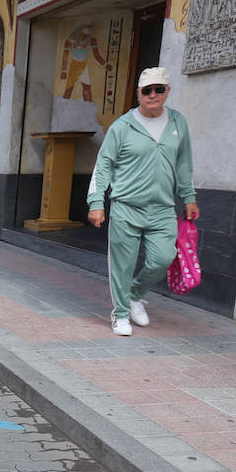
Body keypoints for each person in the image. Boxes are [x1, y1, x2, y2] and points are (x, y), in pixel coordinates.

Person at [86, 67, 200, 337]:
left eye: (159, 89)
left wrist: (189, 197)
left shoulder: (177, 123)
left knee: (164, 257)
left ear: (167, 92)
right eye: (147, 90)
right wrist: (96, 202)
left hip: (162, 209)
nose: (153, 95)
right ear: (138, 93)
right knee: (122, 265)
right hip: (126, 206)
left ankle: (135, 295)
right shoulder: (122, 127)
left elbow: (184, 162)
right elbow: (104, 166)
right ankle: (120, 315)